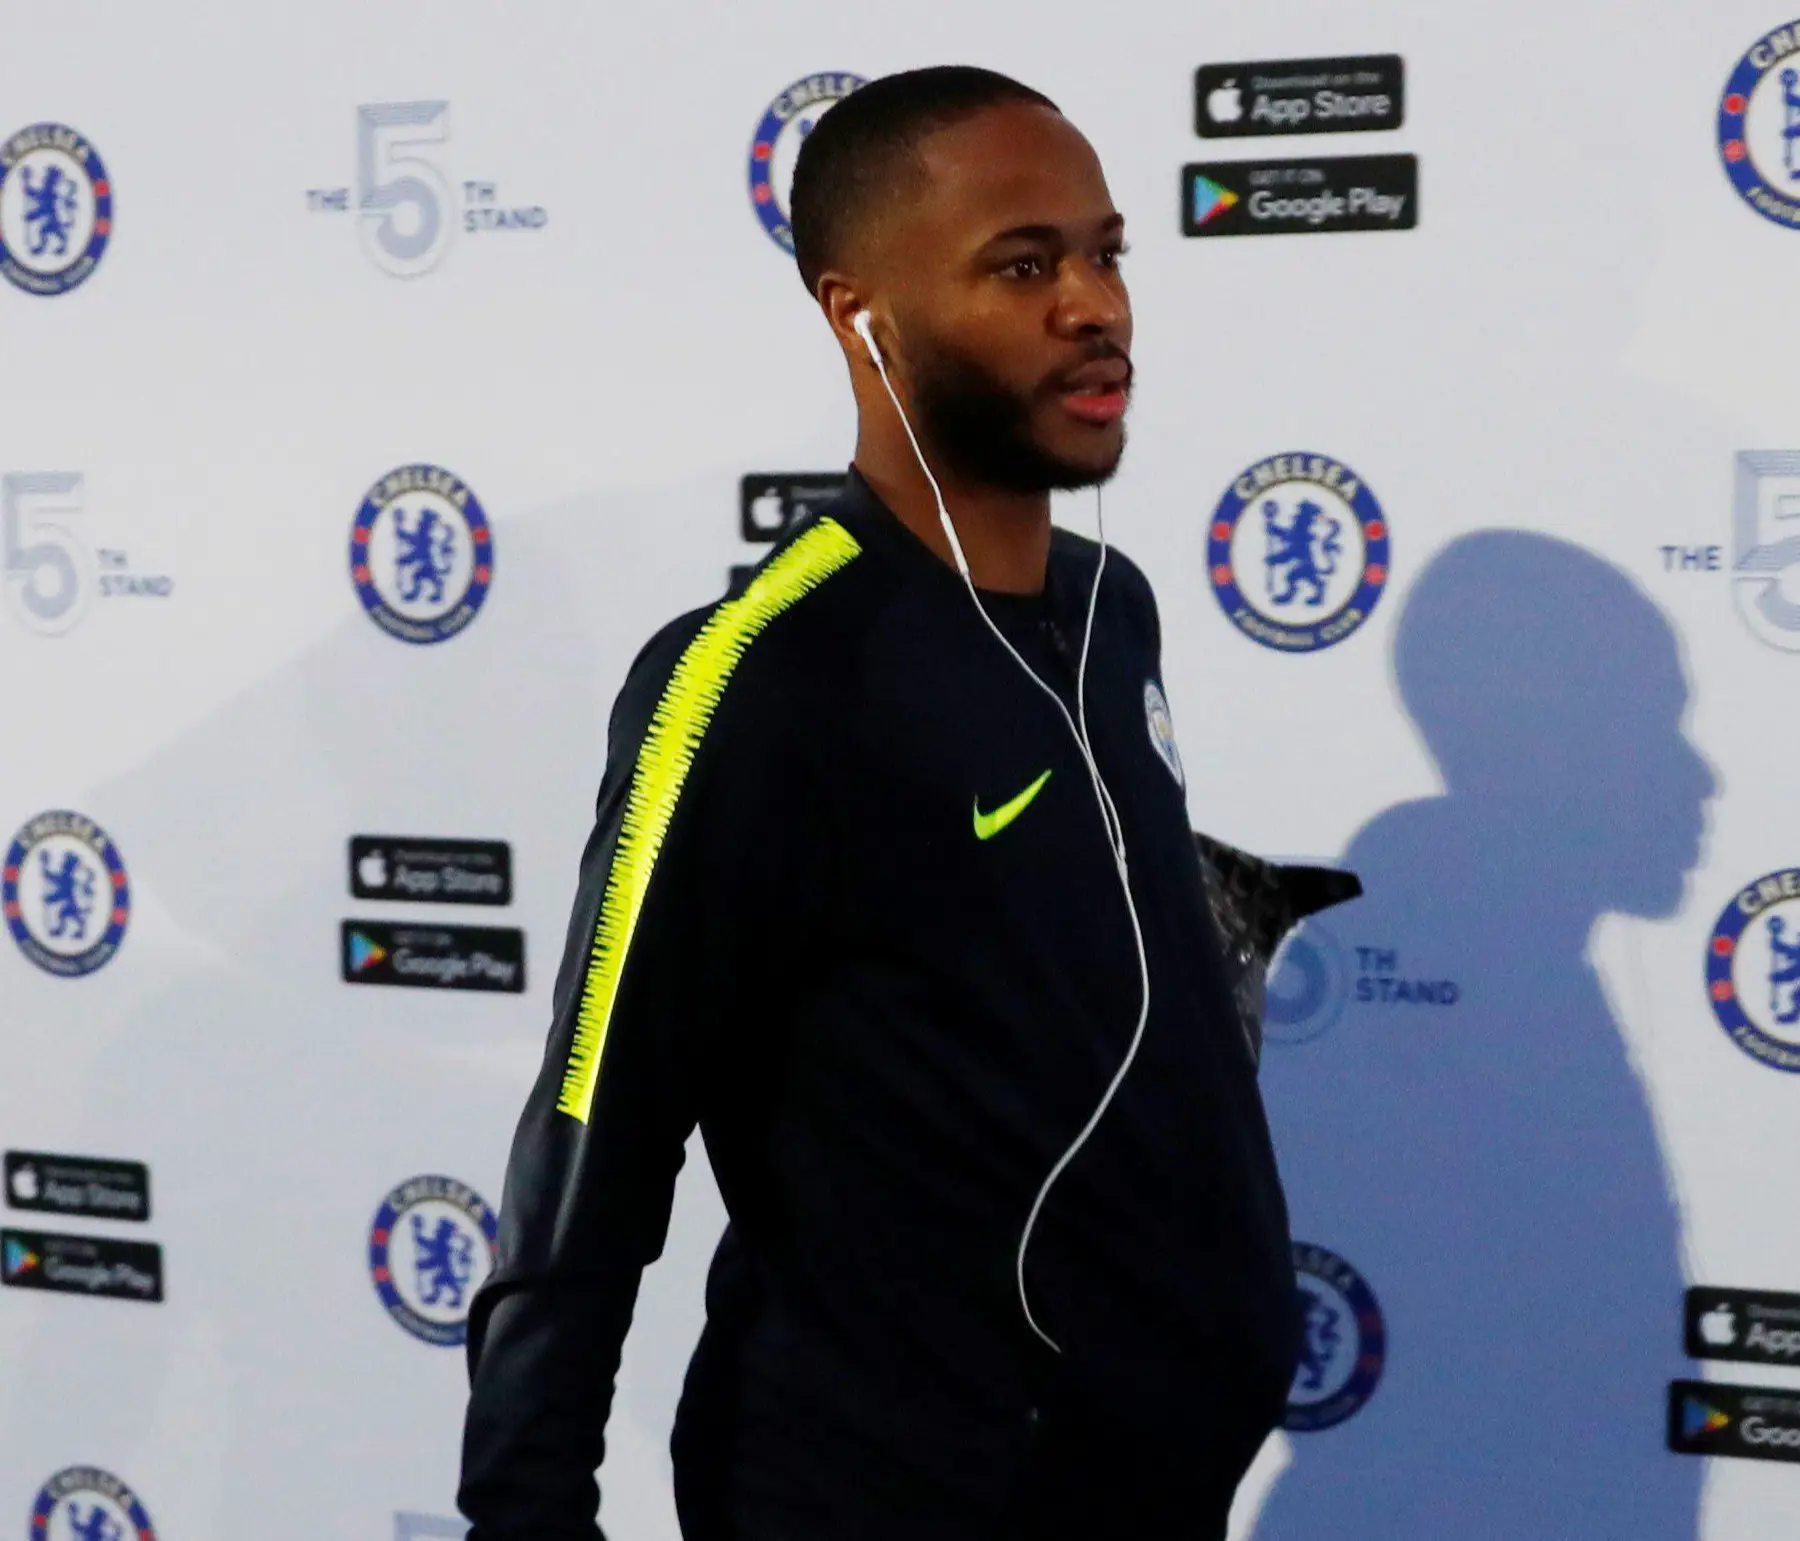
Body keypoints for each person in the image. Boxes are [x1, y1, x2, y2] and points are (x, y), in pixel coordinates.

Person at [457, 66, 1298, 1540]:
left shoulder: (1116, 613)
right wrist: (528, 1514)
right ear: (862, 314)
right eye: (1024, 266)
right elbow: (593, 1143)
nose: (1096, 306)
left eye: (1105, 254)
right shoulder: (759, 679)